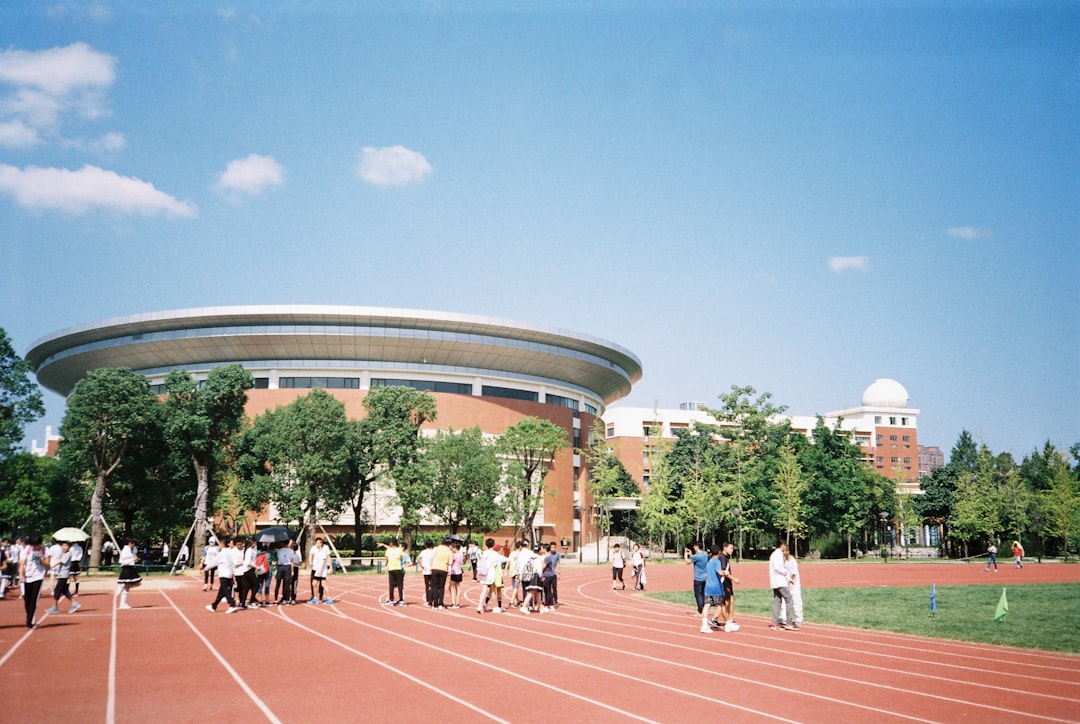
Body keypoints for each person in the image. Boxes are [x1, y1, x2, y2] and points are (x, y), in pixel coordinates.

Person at [19, 535, 48, 628]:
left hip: (38, 577)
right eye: (33, 546)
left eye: (36, 546)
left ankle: (29, 621)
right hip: (28, 576)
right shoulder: (27, 550)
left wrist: (40, 559)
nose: (35, 548)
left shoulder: (45, 550)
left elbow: (48, 565)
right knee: (27, 599)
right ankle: (29, 615)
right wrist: (20, 575)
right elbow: (22, 564)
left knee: (34, 599)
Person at [46, 541, 80, 614]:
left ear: (69, 547)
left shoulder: (68, 554)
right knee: (65, 590)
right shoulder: (64, 553)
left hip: (63, 574)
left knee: (57, 590)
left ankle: (55, 607)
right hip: (61, 573)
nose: (64, 547)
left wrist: (51, 566)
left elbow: (61, 562)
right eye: (63, 546)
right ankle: (74, 604)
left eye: (66, 546)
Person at [476, 538, 508, 614]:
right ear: (493, 545)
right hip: (491, 574)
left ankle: (480, 606)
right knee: (493, 591)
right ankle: (494, 607)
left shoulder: (484, 553)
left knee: (484, 590)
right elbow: (502, 559)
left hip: (484, 574)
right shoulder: (495, 554)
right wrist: (512, 559)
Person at [206, 538, 238, 613]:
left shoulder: (221, 553)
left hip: (223, 574)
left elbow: (214, 562)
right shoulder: (230, 552)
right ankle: (214, 606)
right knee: (221, 592)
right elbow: (234, 562)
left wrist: (206, 568)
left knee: (225, 590)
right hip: (229, 574)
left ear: (222, 544)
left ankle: (232, 604)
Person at [769, 541, 795, 630]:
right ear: (782, 546)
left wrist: (789, 578)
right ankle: (789, 622)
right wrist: (785, 573)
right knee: (789, 599)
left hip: (776, 582)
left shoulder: (774, 554)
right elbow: (778, 567)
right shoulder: (778, 554)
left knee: (777, 601)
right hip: (780, 582)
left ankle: (775, 622)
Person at [700, 546, 725, 634]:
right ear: (718, 552)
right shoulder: (717, 561)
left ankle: (704, 625)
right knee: (721, 604)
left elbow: (706, 575)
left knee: (707, 605)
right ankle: (716, 619)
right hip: (716, 587)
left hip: (708, 586)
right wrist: (725, 573)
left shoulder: (709, 562)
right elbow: (719, 572)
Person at [718, 542, 740, 632]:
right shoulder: (722, 557)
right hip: (724, 582)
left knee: (731, 600)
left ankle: (730, 620)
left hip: (728, 583)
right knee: (725, 603)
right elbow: (724, 571)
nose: (732, 550)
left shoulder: (725, 557)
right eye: (730, 548)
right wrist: (734, 579)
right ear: (725, 548)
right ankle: (728, 622)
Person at [116, 539, 142, 610]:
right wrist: (133, 559)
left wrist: (136, 559)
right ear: (130, 543)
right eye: (133, 544)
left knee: (138, 583)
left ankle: (122, 589)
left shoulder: (133, 549)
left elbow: (133, 557)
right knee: (127, 587)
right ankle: (122, 604)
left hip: (132, 568)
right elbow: (122, 562)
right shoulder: (125, 550)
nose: (134, 546)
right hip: (127, 569)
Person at [379, 539, 407, 606]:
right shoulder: (399, 550)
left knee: (391, 585)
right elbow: (401, 558)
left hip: (391, 568)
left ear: (392, 543)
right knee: (400, 585)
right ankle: (401, 600)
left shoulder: (389, 550)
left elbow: (387, 558)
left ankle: (391, 600)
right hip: (398, 568)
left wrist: (386, 564)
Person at [685, 542, 708, 616]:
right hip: (705, 578)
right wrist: (691, 554)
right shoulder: (705, 554)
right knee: (703, 594)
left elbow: (688, 562)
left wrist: (685, 555)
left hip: (698, 578)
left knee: (698, 595)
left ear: (697, 547)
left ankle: (700, 610)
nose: (694, 548)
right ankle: (704, 609)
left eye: (694, 546)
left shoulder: (697, 556)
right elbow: (695, 558)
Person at [429, 538, 452, 610]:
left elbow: (431, 558)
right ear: (449, 544)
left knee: (434, 587)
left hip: (435, 568)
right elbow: (450, 563)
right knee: (441, 587)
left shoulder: (437, 548)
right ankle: (440, 604)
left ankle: (435, 604)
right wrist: (449, 571)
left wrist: (431, 566)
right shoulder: (449, 551)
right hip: (443, 569)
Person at [783, 547, 803, 628]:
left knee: (796, 601)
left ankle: (799, 618)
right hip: (786, 584)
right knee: (784, 601)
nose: (783, 553)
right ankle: (784, 618)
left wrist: (788, 580)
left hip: (794, 585)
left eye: (784, 551)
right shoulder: (783, 560)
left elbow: (793, 573)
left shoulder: (793, 561)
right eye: (782, 551)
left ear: (788, 551)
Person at [309, 536, 331, 604]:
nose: (316, 544)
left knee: (323, 584)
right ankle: (315, 597)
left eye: (318, 543)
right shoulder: (316, 549)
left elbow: (323, 560)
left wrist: (320, 570)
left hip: (320, 570)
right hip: (317, 569)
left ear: (321, 543)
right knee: (314, 583)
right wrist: (311, 563)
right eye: (316, 543)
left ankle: (329, 598)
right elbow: (311, 555)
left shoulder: (323, 550)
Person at [274, 540, 295, 605]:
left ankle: (276, 599)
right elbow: (292, 561)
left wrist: (276, 569)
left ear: (282, 543)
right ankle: (288, 600)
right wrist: (292, 571)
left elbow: (277, 560)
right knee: (287, 584)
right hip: (287, 567)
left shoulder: (279, 550)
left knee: (278, 584)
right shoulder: (291, 551)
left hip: (280, 566)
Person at [542, 542, 560, 608]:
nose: (553, 549)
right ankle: (548, 602)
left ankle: (554, 601)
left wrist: (558, 573)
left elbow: (558, 564)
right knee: (547, 589)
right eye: (551, 547)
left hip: (552, 573)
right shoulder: (547, 555)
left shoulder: (557, 555)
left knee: (553, 588)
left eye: (554, 547)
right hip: (548, 574)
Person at [417, 540, 435, 606]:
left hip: (426, 570)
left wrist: (421, 565)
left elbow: (418, 558)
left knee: (427, 586)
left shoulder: (423, 552)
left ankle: (428, 600)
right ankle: (433, 599)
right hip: (433, 569)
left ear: (425, 545)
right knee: (433, 586)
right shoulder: (434, 552)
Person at [447, 541, 464, 608]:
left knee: (451, 588)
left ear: (455, 548)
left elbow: (450, 562)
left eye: (452, 548)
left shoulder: (454, 555)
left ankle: (453, 603)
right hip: (459, 572)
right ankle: (457, 603)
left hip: (454, 573)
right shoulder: (461, 555)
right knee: (458, 588)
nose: (451, 549)